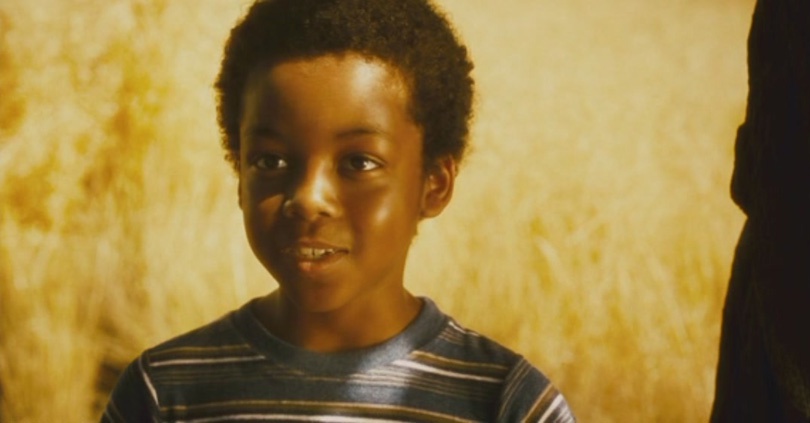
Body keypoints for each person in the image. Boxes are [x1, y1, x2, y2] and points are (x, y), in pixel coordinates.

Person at [99, 0, 575, 421]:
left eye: (358, 163)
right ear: (240, 175)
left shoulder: (506, 404)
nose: (308, 197)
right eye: (270, 161)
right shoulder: (163, 393)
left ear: (434, 184)